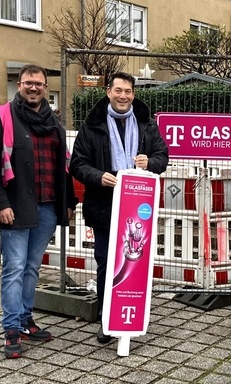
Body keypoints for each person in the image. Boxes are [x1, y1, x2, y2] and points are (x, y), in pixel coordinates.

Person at [71, 72, 169, 343]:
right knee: (105, 262)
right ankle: (106, 318)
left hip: (137, 207)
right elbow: (77, 164)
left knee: (133, 261)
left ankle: (131, 313)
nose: (123, 95)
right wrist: (98, 176)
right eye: (118, 90)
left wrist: (149, 162)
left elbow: (163, 157)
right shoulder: (93, 125)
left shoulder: (147, 125)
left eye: (128, 91)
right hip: (104, 204)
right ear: (108, 92)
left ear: (133, 95)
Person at [0, 64, 78, 359]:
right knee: (13, 268)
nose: (34, 87)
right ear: (19, 84)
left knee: (31, 267)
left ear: (44, 86)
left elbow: (62, 166)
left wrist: (68, 203)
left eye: (39, 83)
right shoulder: (2, 117)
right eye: (28, 83)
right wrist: (0, 203)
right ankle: (11, 328)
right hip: (16, 206)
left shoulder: (53, 122)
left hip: (48, 205)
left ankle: (26, 319)